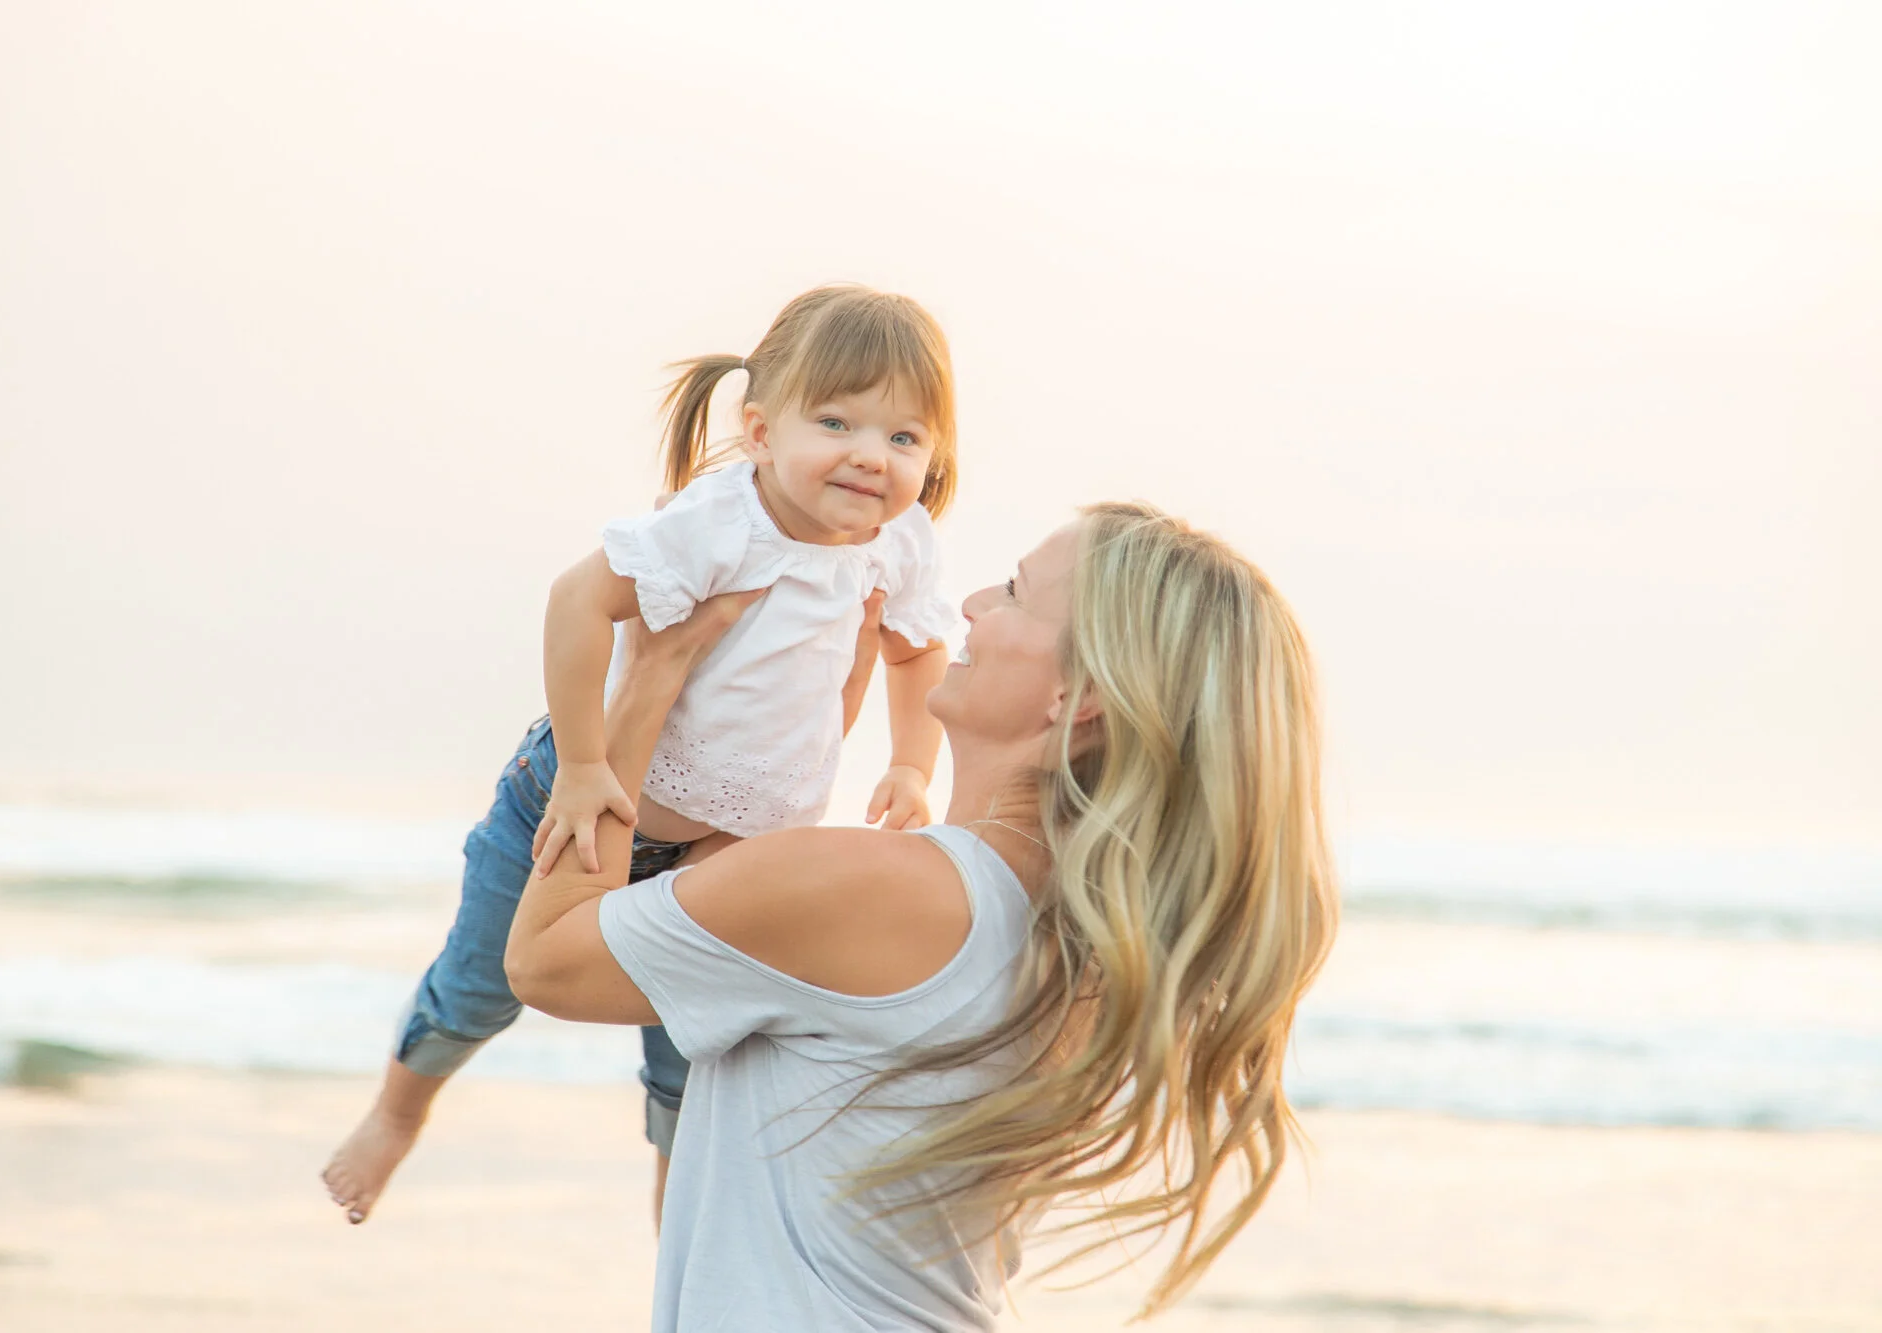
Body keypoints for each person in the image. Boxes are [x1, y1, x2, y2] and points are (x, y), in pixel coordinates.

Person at [507, 501, 1340, 1330]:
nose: (974, 601)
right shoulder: (1086, 953)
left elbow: (547, 956)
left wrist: (653, 674)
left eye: (1015, 591)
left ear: (1076, 695)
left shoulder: (884, 890)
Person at [323, 285, 962, 1226]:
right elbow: (577, 602)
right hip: (587, 799)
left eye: (905, 438)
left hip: (733, 845)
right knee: (481, 984)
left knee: (692, 1053)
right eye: (838, 421)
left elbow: (918, 649)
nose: (872, 454)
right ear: (759, 431)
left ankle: (679, 1234)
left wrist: (911, 763)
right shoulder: (718, 524)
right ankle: (395, 1114)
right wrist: (584, 766)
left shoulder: (900, 545)